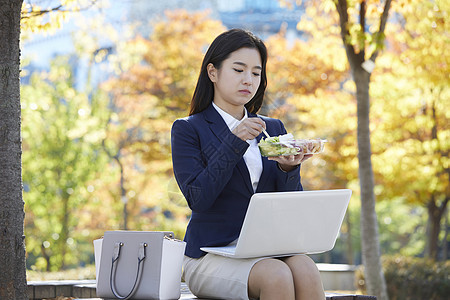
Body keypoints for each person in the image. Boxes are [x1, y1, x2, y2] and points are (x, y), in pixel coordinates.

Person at [171, 28, 325, 300]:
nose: (249, 80)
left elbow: (288, 206)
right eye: (239, 70)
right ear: (213, 73)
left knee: (305, 268)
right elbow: (199, 198)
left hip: (265, 249)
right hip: (210, 254)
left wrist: (288, 169)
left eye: (256, 73)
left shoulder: (272, 128)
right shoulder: (188, 129)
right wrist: (234, 141)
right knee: (275, 276)